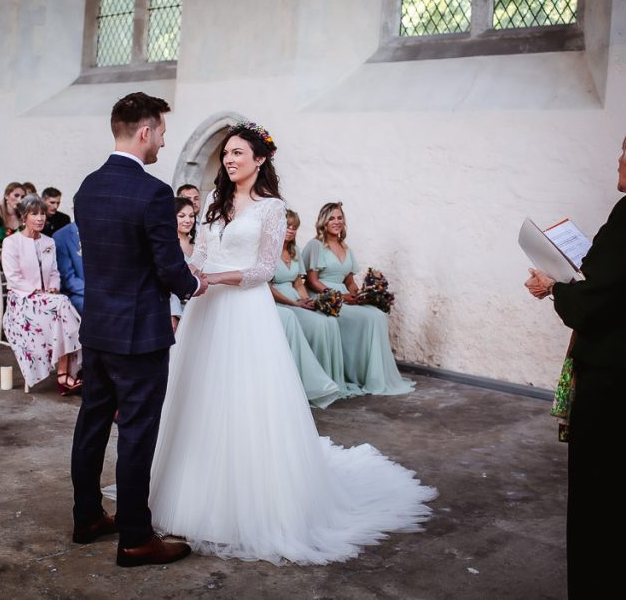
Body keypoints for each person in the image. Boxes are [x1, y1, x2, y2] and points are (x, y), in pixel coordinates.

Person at [147, 121, 436, 564]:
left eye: (239, 153)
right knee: (199, 395)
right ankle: (191, 492)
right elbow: (202, 251)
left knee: (245, 398)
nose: (229, 159)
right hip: (205, 310)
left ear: (259, 160)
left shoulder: (272, 208)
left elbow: (264, 270)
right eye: (226, 153)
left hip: (244, 312)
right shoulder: (211, 200)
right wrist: (192, 277)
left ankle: (247, 502)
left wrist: (218, 277)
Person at [524, 115, 626, 599]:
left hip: (617, 380)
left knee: (602, 498)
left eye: (621, 152)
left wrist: (555, 286)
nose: (616, 160)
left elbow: (594, 304)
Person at [70, 92, 206, 568]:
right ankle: (134, 536)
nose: (164, 143)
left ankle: (86, 516)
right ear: (144, 131)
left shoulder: (86, 188)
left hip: (98, 330)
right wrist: (194, 284)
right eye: (162, 133)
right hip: (141, 335)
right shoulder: (151, 194)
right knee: (138, 432)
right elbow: (169, 266)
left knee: (91, 424)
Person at [302, 203, 414, 395]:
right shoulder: (315, 245)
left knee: (377, 315)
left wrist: (361, 294)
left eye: (339, 218)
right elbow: (312, 282)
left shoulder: (346, 247)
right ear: (323, 222)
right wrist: (338, 296)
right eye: (332, 218)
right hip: (326, 298)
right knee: (367, 319)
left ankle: (373, 376)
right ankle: (357, 373)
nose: (337, 222)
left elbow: (349, 281)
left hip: (345, 296)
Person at [271, 209, 356, 407]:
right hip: (280, 302)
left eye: (294, 227)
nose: (291, 231)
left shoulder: (294, 252)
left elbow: (299, 283)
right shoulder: (268, 252)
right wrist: (294, 303)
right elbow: (268, 287)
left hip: (297, 300)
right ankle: (311, 384)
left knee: (329, 321)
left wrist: (308, 300)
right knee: (319, 325)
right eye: (287, 226)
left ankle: (331, 379)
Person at [2, 195, 82, 393]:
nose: (40, 219)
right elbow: (13, 277)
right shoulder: (12, 242)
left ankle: (63, 373)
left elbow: (54, 272)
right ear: (23, 217)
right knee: (64, 305)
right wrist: (36, 291)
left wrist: (53, 286)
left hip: (48, 300)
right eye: (34, 214)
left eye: (42, 214)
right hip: (21, 301)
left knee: (61, 305)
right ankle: (66, 374)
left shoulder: (49, 242)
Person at [169, 197, 196, 332]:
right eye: (182, 216)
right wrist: (173, 314)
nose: (188, 220)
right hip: (177, 310)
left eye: (191, 216)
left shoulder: (198, 245)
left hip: (197, 308)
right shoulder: (168, 246)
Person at [53, 222, 84, 314]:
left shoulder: (104, 231)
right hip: (77, 293)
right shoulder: (61, 236)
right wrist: (95, 291)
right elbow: (68, 279)